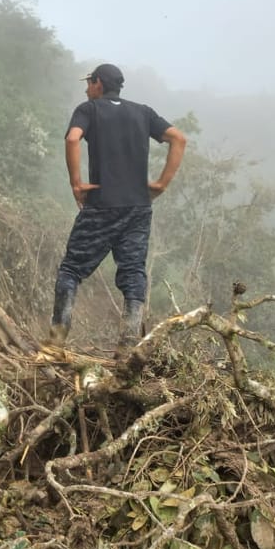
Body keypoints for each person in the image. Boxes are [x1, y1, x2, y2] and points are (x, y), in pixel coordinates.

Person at [48, 64, 187, 347]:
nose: (87, 89)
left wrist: (76, 184)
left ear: (98, 83)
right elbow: (178, 139)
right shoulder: (143, 112)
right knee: (134, 270)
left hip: (102, 204)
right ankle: (127, 346)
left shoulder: (89, 110)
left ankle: (56, 342)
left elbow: (73, 138)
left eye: (89, 83)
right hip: (138, 207)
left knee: (72, 269)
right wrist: (160, 184)